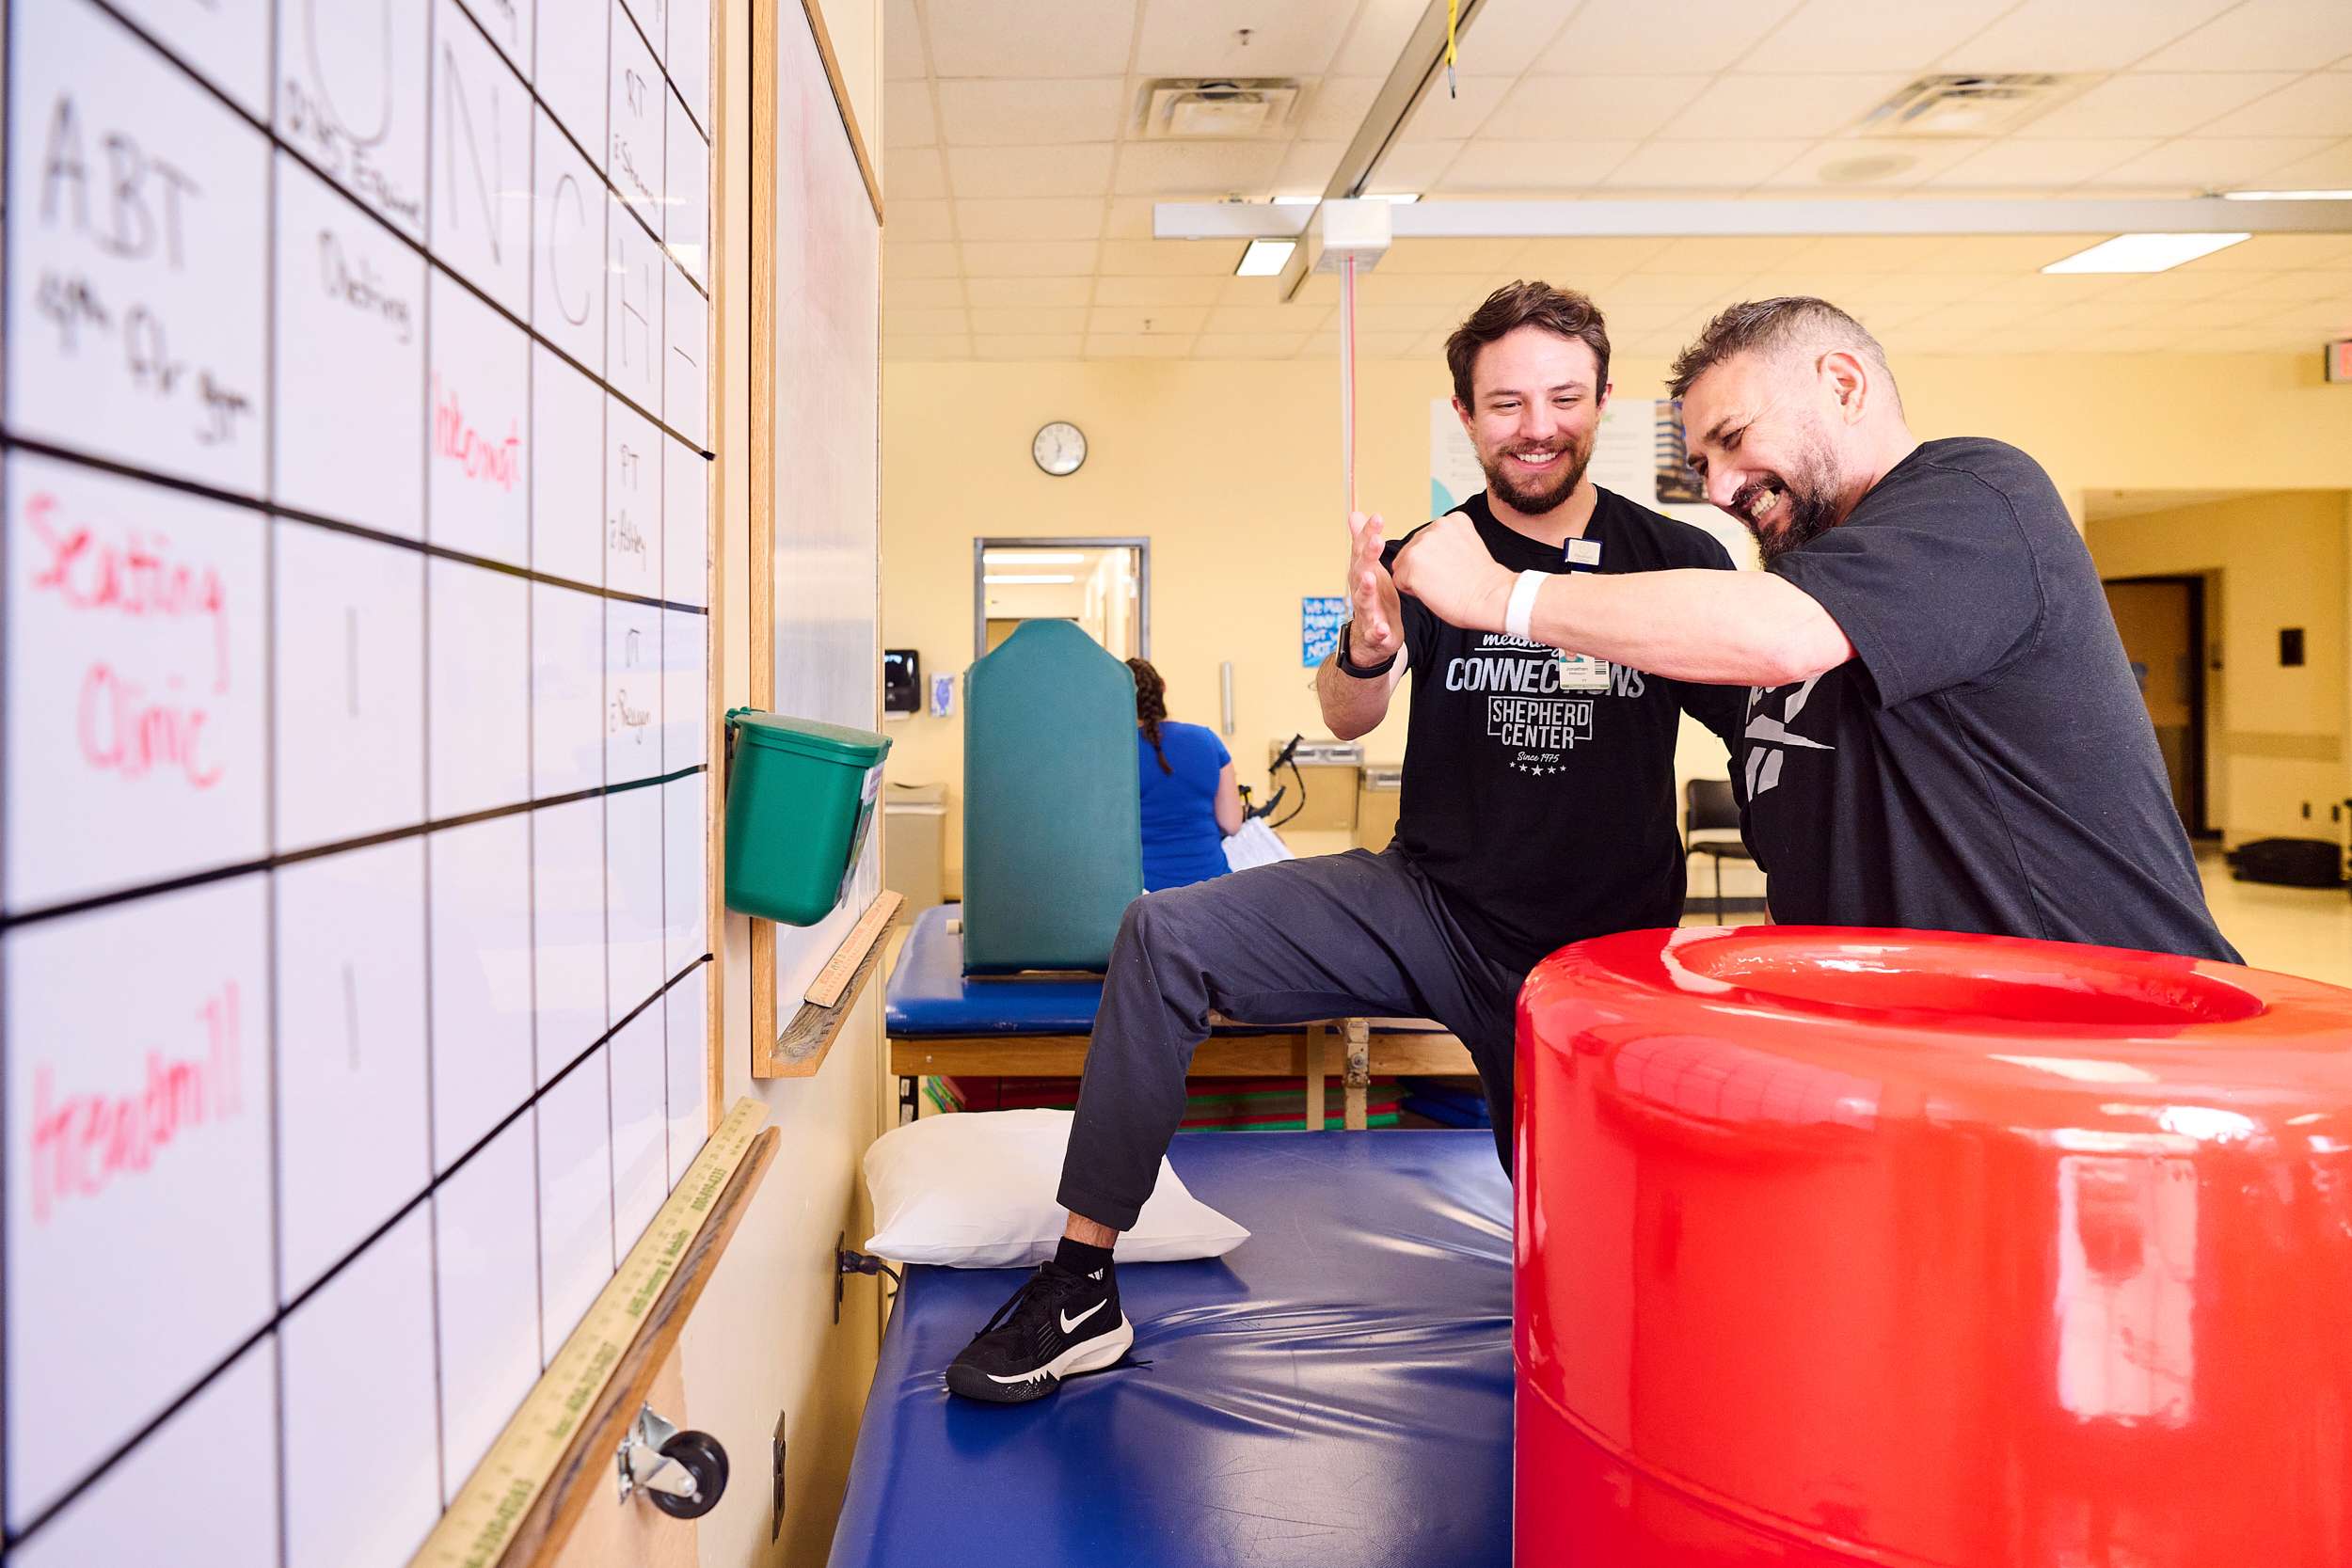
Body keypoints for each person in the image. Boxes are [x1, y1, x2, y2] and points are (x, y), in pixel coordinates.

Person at [946, 281, 1747, 1403]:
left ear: (1603, 403)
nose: (1536, 424)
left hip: (1591, 953)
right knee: (1164, 932)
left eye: (1564, 397)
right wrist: (1368, 646)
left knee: (1588, 1277)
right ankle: (1082, 1283)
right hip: (1424, 903)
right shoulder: (1427, 555)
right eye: (1506, 401)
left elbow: (1761, 730)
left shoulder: (1671, 557)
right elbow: (1347, 712)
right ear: (1466, 415)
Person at [1391, 294, 2237, 962]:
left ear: (1843, 384)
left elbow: (1782, 632)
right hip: (1922, 1059)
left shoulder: (1979, 498)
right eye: (1700, 466)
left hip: (2103, 1038)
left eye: (1732, 440)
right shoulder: (1813, 585)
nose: (1718, 489)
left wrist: (1502, 594)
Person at [1128, 657, 1244, 892]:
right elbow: (1231, 824)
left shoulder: (1120, 751)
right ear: (1163, 687)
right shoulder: (1207, 740)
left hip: (1147, 893)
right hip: (1212, 887)